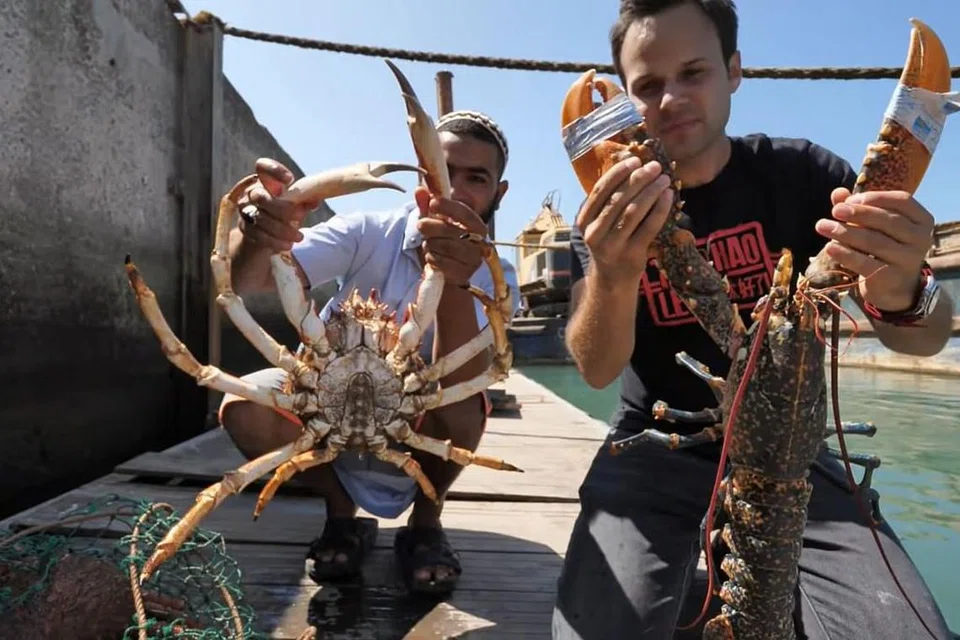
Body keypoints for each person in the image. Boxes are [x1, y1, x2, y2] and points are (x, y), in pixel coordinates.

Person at [553, 1, 955, 638]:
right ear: (627, 99)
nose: (672, 98)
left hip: (796, 459)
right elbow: (597, 368)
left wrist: (900, 282)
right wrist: (615, 269)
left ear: (734, 70)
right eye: (648, 86)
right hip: (656, 447)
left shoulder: (806, 176)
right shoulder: (613, 209)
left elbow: (926, 338)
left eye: (694, 73)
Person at [218, 110, 519, 596]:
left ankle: (426, 523)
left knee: (466, 406)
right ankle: (342, 516)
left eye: (475, 178)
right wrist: (261, 234)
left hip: (417, 419)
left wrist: (457, 280)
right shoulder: (365, 231)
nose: (453, 190)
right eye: (439, 174)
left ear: (498, 194)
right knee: (244, 404)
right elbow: (248, 280)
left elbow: (467, 377)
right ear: (422, 178)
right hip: (325, 407)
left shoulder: (497, 274)